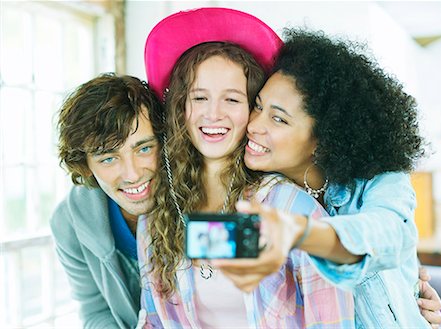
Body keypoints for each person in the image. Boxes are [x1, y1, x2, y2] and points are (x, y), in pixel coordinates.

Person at [137, 8, 354, 328]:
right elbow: (153, 321)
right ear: (180, 107)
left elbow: (334, 321)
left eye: (232, 100)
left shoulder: (289, 208)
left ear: (253, 111)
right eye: (199, 98)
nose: (213, 114)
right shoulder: (156, 221)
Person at [212, 28, 441, 327]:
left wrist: (302, 234)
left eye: (279, 118)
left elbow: (390, 233)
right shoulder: (259, 194)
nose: (254, 125)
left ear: (325, 139)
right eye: (258, 106)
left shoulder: (381, 181)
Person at [50, 73, 163, 328]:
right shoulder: (68, 225)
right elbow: (95, 311)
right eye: (108, 159)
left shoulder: (199, 199)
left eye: (144, 149)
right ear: (85, 166)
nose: (133, 174)